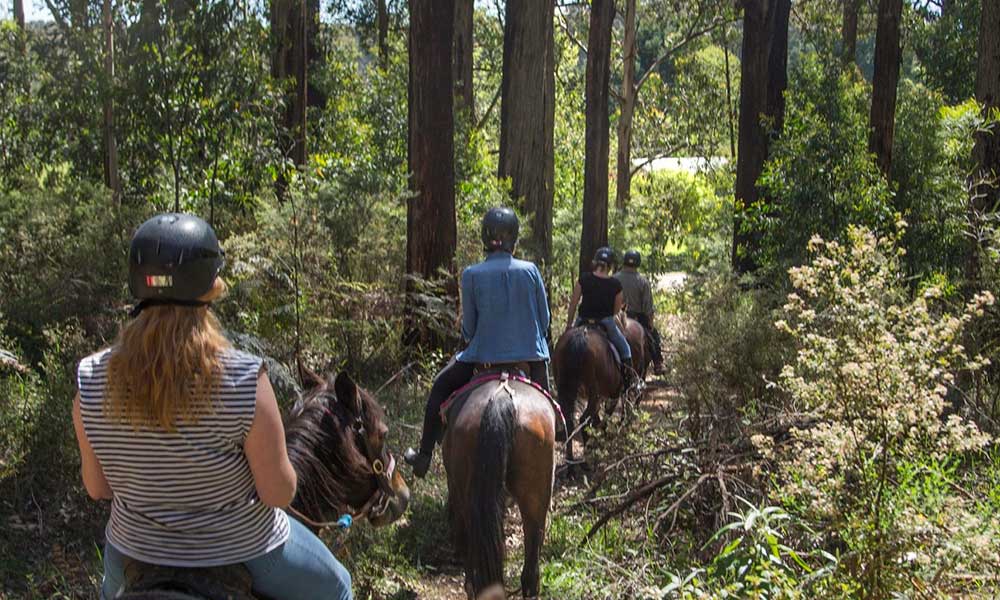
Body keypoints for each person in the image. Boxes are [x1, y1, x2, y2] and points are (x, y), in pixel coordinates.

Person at [72, 213, 352, 600]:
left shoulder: (90, 377)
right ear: (210, 286)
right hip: (246, 550)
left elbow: (97, 487)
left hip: (134, 551)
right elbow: (278, 494)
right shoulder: (244, 378)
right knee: (339, 586)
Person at [403, 207, 551, 478]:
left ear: (485, 237)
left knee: (439, 388)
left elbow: (469, 327)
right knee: (550, 405)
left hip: (482, 358)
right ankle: (561, 433)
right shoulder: (531, 271)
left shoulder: (472, 274)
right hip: (529, 358)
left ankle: (424, 456)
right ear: (514, 239)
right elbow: (545, 319)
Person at [565, 247, 635, 389]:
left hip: (582, 320)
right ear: (610, 266)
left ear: (595, 263)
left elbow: (573, 305)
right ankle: (630, 383)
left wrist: (569, 326)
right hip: (605, 322)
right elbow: (615, 311)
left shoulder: (583, 279)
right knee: (625, 349)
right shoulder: (615, 285)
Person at [615, 250, 664, 374]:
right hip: (636, 317)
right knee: (654, 337)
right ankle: (658, 363)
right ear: (638, 263)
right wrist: (651, 325)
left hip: (615, 315)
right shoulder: (643, 281)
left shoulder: (614, 278)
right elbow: (648, 308)